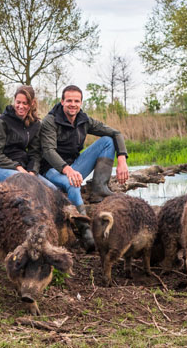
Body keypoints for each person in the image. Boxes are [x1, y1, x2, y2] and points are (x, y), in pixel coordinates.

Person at [40, 85, 130, 250]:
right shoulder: (50, 121)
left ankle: (99, 189)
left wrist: (122, 158)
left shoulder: (84, 120)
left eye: (76, 101)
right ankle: (85, 230)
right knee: (72, 184)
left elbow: (116, 133)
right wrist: (68, 171)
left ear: (81, 103)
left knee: (107, 141)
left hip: (74, 166)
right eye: (69, 101)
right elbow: (48, 151)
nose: (73, 104)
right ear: (62, 102)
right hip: (51, 169)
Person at [0, 85, 53, 189]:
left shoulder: (35, 124)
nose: (20, 106)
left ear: (31, 104)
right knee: (26, 184)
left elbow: (35, 154)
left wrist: (32, 171)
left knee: (52, 189)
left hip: (24, 168)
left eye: (24, 103)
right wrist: (17, 168)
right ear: (14, 101)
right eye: (18, 102)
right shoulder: (2, 121)